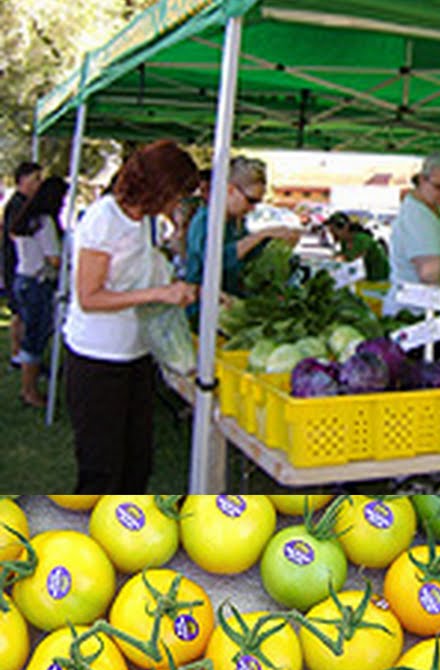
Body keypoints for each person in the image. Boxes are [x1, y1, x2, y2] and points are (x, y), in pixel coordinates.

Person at [63, 140, 200, 493]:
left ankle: (127, 537)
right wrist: (159, 294)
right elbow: (89, 297)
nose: (178, 204)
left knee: (137, 463)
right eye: (177, 195)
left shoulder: (143, 222)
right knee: (101, 468)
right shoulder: (103, 219)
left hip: (135, 354)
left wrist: (179, 288)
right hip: (97, 361)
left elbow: (144, 275)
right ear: (160, 189)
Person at [182, 157, 301, 304]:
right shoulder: (206, 221)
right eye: (251, 200)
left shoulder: (235, 222)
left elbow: (248, 258)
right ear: (230, 190)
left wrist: (277, 242)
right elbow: (215, 261)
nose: (253, 208)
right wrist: (261, 235)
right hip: (203, 312)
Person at [9, 176, 69, 408]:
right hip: (37, 283)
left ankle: (28, 387)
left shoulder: (25, 218)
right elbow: (54, 259)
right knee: (35, 338)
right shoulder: (44, 222)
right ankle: (30, 391)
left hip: (22, 278)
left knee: (29, 336)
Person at [388, 154, 440, 312]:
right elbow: (430, 275)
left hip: (429, 308)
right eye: (439, 186)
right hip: (415, 312)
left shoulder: (433, 211)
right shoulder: (418, 216)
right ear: (422, 180)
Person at [4, 162, 42, 367]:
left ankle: (19, 356)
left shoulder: (23, 203)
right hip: (16, 264)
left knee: (20, 312)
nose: (39, 184)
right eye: (35, 179)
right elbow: (14, 235)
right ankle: (17, 354)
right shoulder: (18, 204)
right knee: (19, 312)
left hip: (18, 264)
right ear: (22, 180)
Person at [326, 212, 389, 282]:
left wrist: (333, 261)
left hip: (379, 281)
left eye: (333, 230)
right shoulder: (344, 242)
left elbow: (353, 261)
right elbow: (341, 256)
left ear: (344, 227)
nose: (331, 234)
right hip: (365, 281)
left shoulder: (361, 239)